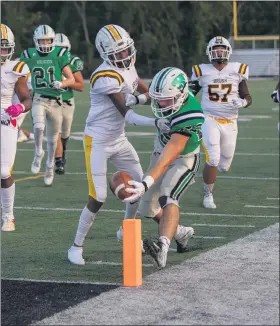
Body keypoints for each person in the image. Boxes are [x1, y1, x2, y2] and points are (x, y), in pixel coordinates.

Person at [68, 24, 170, 265]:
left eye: (126, 51)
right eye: (119, 53)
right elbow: (128, 114)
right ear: (106, 54)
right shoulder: (104, 76)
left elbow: (143, 89)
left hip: (118, 138)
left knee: (138, 187)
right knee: (98, 197)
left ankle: (127, 230)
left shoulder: (128, 66)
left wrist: (162, 99)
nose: (124, 56)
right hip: (99, 140)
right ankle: (76, 246)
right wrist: (157, 121)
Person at [124, 67, 204, 269]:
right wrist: (139, 100)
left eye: (166, 100)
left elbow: (168, 158)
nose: (161, 103)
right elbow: (156, 95)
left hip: (184, 158)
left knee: (167, 195)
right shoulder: (170, 96)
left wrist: (145, 183)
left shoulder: (190, 113)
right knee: (147, 208)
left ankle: (162, 248)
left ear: (180, 96)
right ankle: (179, 232)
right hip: (160, 152)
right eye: (159, 98)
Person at [191, 36, 252, 209]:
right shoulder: (201, 71)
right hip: (209, 118)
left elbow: (247, 96)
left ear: (228, 52)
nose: (219, 52)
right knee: (214, 158)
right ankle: (208, 194)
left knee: (224, 165)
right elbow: (189, 94)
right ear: (210, 52)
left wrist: (243, 102)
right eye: (216, 50)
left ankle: (204, 174)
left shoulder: (237, 69)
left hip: (230, 122)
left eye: (222, 49)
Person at [20, 24, 75, 186]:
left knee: (52, 140)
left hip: (56, 102)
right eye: (41, 41)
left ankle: (50, 167)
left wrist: (61, 83)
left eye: (47, 41)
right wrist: (26, 84)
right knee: (38, 126)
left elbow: (71, 79)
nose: (45, 44)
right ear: (36, 41)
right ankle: (38, 152)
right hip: (39, 98)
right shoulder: (29, 55)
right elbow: (19, 72)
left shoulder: (59, 54)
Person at [1, 24, 32, 231]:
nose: (2, 51)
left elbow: (27, 99)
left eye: (4, 47)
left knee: (3, 171)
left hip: (4, 119)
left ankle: (8, 216)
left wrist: (18, 107)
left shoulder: (15, 68)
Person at [54, 33, 84, 174]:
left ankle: (62, 151)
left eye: (64, 48)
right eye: (58, 48)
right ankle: (58, 160)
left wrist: (65, 81)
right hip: (51, 100)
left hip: (67, 101)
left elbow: (81, 86)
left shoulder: (72, 61)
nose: (61, 52)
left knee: (65, 133)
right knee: (56, 131)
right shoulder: (47, 61)